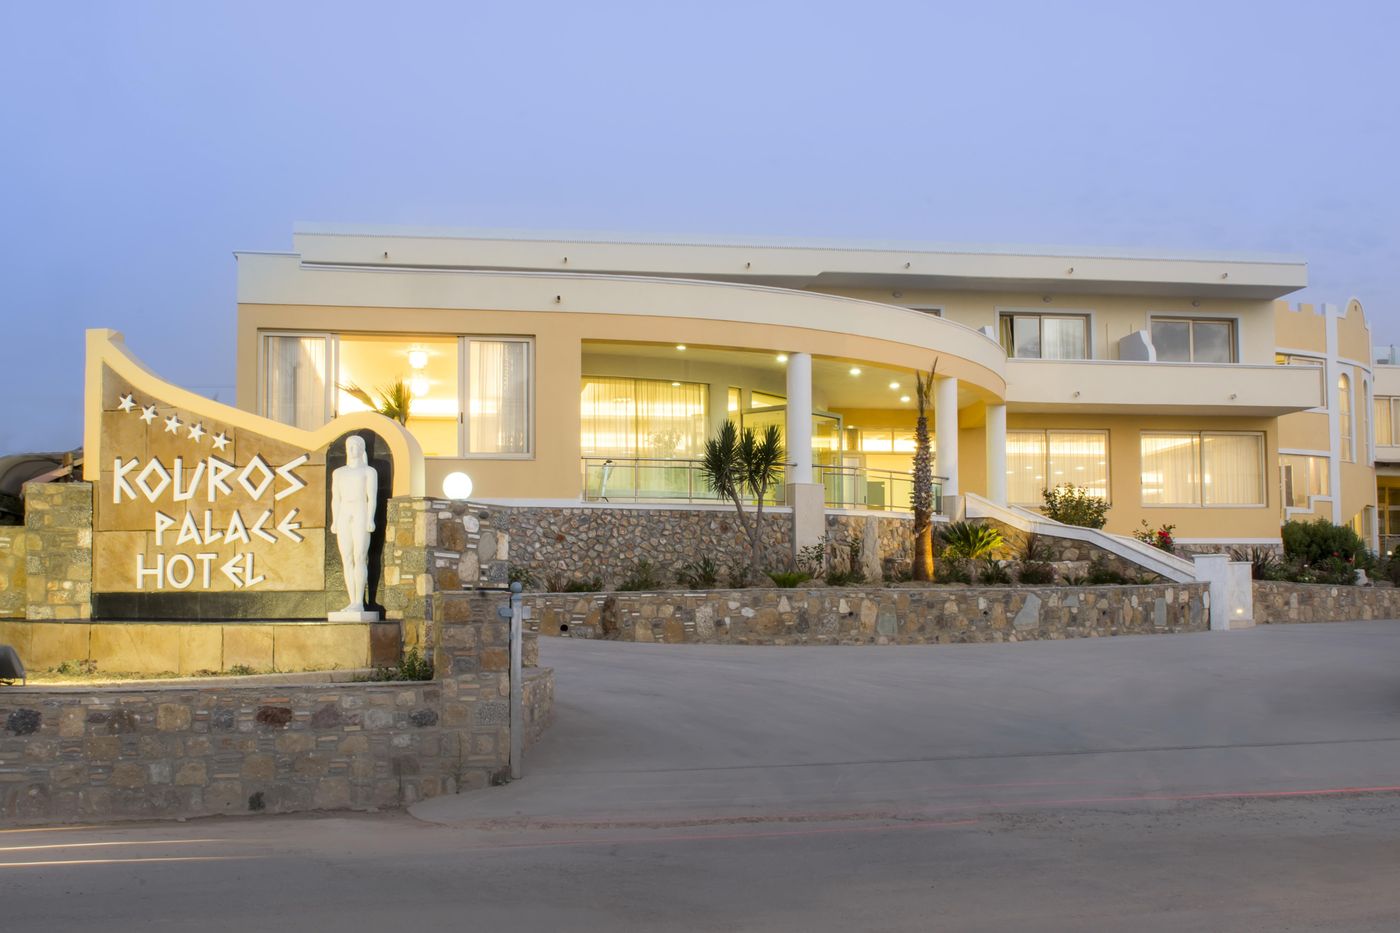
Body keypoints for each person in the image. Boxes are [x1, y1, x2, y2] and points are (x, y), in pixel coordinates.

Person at [330, 435, 377, 613]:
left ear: (362, 448)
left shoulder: (369, 472)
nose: (352, 449)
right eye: (349, 446)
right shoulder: (339, 472)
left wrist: (370, 518)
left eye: (356, 445)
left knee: (359, 556)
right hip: (344, 514)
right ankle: (352, 601)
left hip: (360, 512)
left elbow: (371, 497)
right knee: (347, 558)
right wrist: (335, 519)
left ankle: (359, 601)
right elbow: (336, 498)